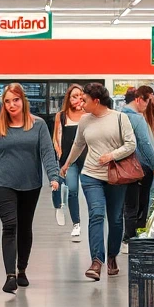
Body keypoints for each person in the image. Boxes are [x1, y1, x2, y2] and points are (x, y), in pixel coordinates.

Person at [0, 83, 60, 294]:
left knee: (25, 227)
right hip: (2, 182)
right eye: (7, 101)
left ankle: (22, 268)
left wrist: (53, 176)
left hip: (30, 183)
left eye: (15, 100)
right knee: (10, 225)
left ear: (23, 101)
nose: (11, 105)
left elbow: (47, 152)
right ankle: (10, 276)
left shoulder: (38, 125)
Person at [64, 83, 137, 281]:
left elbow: (131, 144)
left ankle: (112, 256)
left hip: (116, 176)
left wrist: (111, 155)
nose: (80, 103)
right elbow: (78, 144)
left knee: (114, 219)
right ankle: (96, 261)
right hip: (90, 175)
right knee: (96, 214)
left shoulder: (120, 118)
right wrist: (66, 164)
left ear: (96, 101)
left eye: (84, 99)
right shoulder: (85, 121)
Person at [121, 86, 154, 245]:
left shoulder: (117, 116)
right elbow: (145, 145)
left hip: (121, 167)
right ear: (138, 99)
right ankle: (132, 238)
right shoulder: (137, 119)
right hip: (140, 167)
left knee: (125, 204)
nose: (146, 106)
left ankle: (124, 236)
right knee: (140, 204)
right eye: (146, 102)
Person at [52, 84, 86, 239]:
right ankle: (76, 223)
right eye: (74, 96)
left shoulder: (88, 114)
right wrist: (59, 153)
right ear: (68, 98)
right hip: (68, 159)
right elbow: (56, 137)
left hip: (87, 158)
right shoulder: (62, 115)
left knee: (90, 189)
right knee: (73, 190)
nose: (78, 99)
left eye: (80, 95)